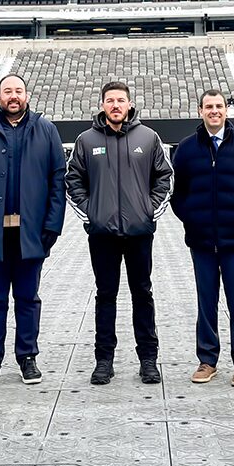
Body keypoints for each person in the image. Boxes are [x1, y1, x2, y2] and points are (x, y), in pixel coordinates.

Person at [0, 73, 66, 387]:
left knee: (27, 298)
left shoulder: (46, 131)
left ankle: (27, 357)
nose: (13, 96)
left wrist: (52, 227)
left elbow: (57, 182)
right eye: (8, 91)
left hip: (30, 234)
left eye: (18, 91)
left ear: (27, 95)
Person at [66, 81, 173, 386]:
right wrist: (92, 215)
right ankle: (104, 361)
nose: (115, 105)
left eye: (121, 100)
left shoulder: (149, 137)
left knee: (143, 294)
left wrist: (148, 211)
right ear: (102, 105)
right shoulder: (86, 141)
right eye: (110, 100)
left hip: (140, 233)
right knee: (105, 296)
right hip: (103, 235)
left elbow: (165, 177)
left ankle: (149, 360)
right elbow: (73, 181)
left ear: (129, 105)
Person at [170, 88, 234, 388]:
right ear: (200, 110)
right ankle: (207, 360)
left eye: (219, 106)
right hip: (201, 240)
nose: (214, 111)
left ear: (226, 109)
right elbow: (178, 192)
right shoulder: (187, 148)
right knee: (206, 302)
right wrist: (190, 216)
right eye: (208, 106)